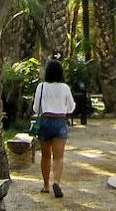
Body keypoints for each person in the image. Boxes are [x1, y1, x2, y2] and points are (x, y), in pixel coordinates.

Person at [32, 59, 75, 197]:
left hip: (45, 120)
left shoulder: (41, 86)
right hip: (60, 121)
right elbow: (71, 106)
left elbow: (35, 107)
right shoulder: (65, 87)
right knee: (59, 157)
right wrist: (63, 109)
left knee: (45, 156)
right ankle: (56, 181)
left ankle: (45, 185)